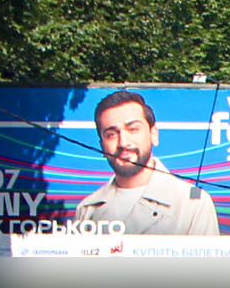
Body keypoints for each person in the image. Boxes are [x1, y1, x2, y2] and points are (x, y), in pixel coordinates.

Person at [71, 89, 221, 235]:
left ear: (153, 134)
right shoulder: (86, 209)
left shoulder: (193, 204)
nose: (123, 143)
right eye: (111, 134)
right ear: (102, 146)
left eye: (133, 129)